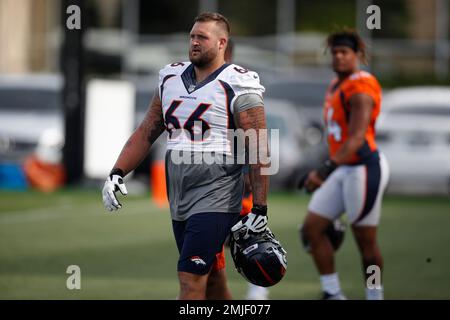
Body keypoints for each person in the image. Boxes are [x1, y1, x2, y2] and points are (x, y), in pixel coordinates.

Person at [102, 12, 270, 300]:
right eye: (192, 36)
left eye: (202, 37)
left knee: (190, 279)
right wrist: (117, 171)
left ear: (221, 43)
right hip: (179, 192)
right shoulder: (170, 77)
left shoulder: (239, 82)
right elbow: (147, 131)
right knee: (214, 280)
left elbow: (258, 147)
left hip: (217, 192)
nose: (194, 42)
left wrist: (260, 207)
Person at [299, 30, 389, 300]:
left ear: (357, 56)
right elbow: (338, 139)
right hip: (344, 168)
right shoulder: (335, 85)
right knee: (311, 229)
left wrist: (323, 171)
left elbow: (356, 139)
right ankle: (333, 293)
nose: (338, 57)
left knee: (365, 241)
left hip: (363, 168)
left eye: (344, 52)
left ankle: (375, 296)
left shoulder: (361, 87)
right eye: (335, 52)